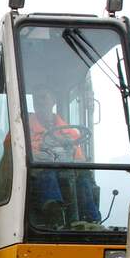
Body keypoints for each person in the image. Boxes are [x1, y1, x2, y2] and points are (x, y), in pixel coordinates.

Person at [26, 89, 101, 227]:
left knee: (84, 177)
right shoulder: (23, 126)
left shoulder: (68, 131)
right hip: (37, 175)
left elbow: (79, 159)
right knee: (48, 174)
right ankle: (56, 216)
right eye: (36, 99)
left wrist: (78, 164)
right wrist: (39, 151)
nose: (39, 103)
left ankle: (92, 220)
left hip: (66, 172)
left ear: (53, 101)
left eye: (43, 97)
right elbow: (12, 148)